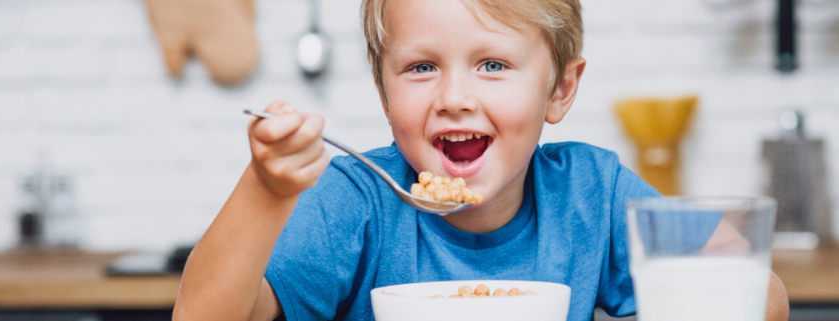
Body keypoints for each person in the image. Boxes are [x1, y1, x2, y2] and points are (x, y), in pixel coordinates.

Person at [172, 0, 790, 320]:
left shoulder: (593, 193)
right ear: (384, 90)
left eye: (493, 64)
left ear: (560, 90)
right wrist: (267, 191)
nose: (455, 98)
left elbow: (763, 295)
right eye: (421, 67)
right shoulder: (356, 199)